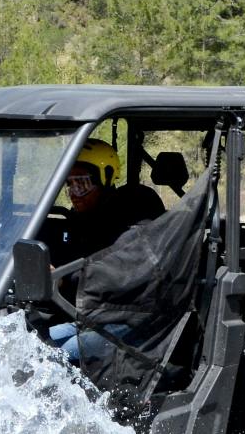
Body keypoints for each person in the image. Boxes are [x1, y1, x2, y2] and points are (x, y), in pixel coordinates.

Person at [38, 138, 164, 365]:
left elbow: (119, 275)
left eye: (81, 184)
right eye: (70, 185)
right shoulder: (83, 221)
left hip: (131, 317)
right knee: (36, 343)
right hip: (95, 315)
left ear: (105, 178)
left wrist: (64, 278)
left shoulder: (134, 218)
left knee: (64, 355)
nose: (74, 193)